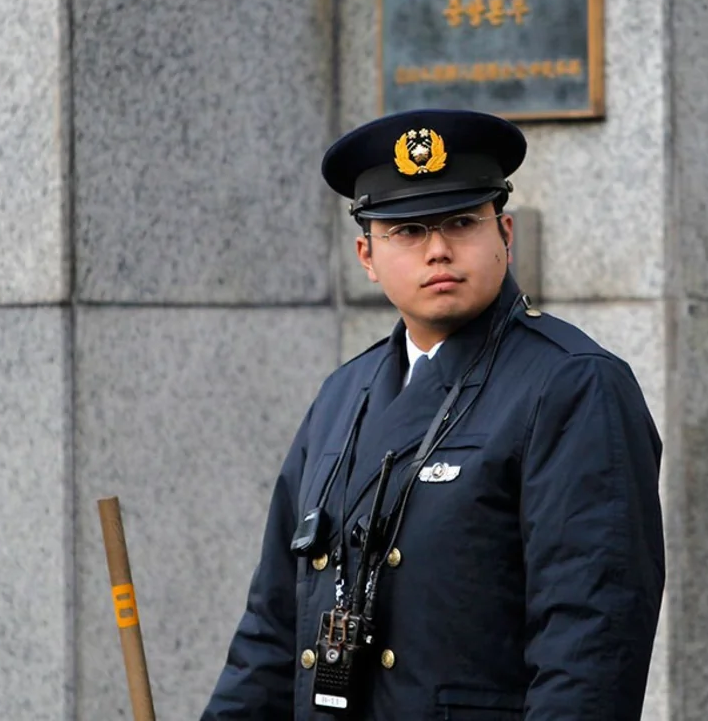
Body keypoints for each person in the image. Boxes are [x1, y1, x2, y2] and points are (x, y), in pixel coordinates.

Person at [201, 108, 665, 719]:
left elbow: (591, 644)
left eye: (461, 222)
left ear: (504, 234)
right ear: (367, 254)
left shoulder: (572, 384)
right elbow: (272, 628)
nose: (439, 250)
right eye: (409, 231)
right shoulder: (345, 394)